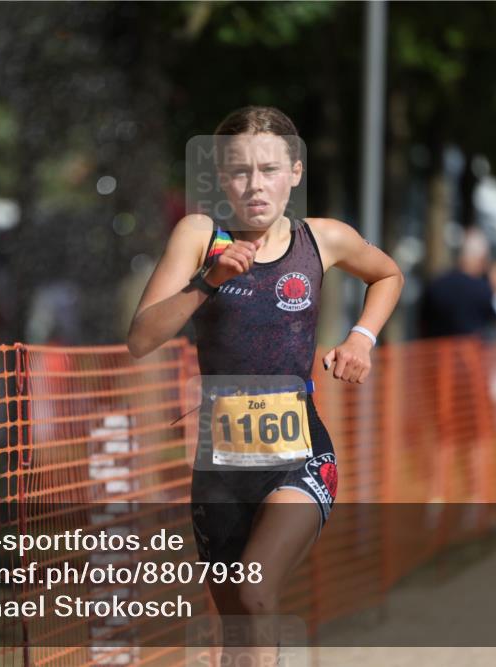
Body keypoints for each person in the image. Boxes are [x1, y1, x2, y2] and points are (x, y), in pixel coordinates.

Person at [127, 106, 403, 663]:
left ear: (295, 172)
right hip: (221, 465)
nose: (256, 185)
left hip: (299, 455)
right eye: (240, 171)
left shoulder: (321, 238)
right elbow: (141, 337)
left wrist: (361, 339)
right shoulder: (200, 236)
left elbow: (388, 274)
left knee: (255, 590)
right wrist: (208, 281)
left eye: (270, 169)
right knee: (238, 629)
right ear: (221, 177)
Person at [420, 227, 496, 339]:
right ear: (481, 259)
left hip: (435, 349)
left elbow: (423, 326)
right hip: (472, 349)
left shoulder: (435, 285)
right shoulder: (484, 290)